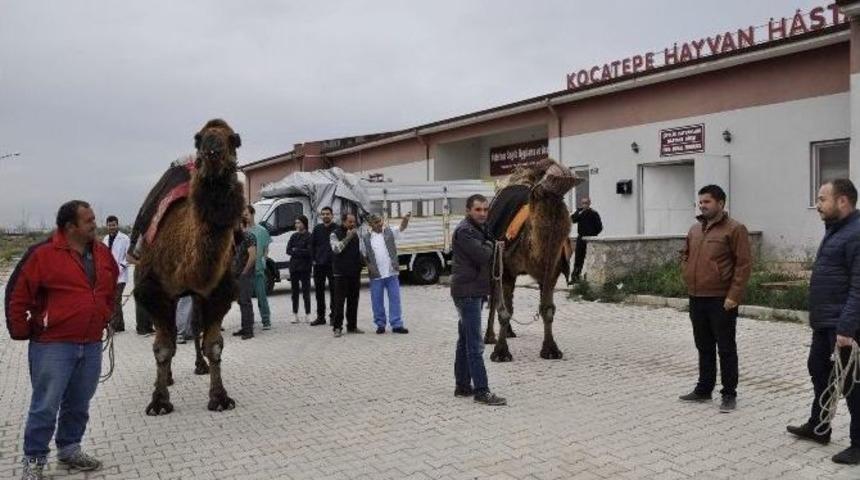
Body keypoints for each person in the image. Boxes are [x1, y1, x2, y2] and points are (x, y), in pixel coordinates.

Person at [5, 200, 118, 479]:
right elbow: (17, 295)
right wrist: (22, 330)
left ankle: (69, 449)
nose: (96, 224)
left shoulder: (102, 253)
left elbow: (111, 285)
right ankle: (34, 459)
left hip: (91, 343)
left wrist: (104, 314)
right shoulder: (42, 254)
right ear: (70, 227)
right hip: (53, 345)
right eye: (89, 220)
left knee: (79, 402)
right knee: (46, 404)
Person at [787, 179, 860, 464]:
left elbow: (858, 285)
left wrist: (847, 328)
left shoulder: (855, 234)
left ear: (842, 201)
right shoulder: (837, 230)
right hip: (825, 322)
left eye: (822, 199)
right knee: (818, 370)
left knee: (853, 386)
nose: (818, 205)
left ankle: (859, 444)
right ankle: (820, 427)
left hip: (844, 326)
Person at [679, 184, 751, 413]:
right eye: (700, 202)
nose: (702, 205)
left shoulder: (735, 229)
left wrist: (734, 296)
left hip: (721, 299)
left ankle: (729, 394)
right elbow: (686, 255)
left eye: (707, 202)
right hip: (697, 296)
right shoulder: (694, 230)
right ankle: (703, 389)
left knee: (726, 348)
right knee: (703, 345)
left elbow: (743, 265)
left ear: (721, 203)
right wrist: (687, 272)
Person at [451, 194, 507, 406]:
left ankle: (463, 385)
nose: (483, 213)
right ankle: (482, 391)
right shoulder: (466, 231)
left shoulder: (478, 229)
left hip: (471, 291)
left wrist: (488, 242)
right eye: (478, 210)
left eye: (485, 209)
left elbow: (485, 246)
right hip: (468, 293)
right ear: (468, 210)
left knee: (464, 339)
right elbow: (483, 254)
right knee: (475, 344)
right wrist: (493, 245)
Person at [359, 213, 411, 335]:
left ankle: (397, 324)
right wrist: (368, 266)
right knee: (377, 300)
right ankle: (380, 324)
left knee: (395, 299)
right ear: (371, 224)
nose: (379, 224)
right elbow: (363, 254)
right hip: (376, 274)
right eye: (376, 222)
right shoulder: (366, 238)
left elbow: (402, 228)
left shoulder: (389, 231)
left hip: (391, 272)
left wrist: (405, 220)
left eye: (380, 221)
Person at [330, 212, 364, 337]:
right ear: (343, 222)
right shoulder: (335, 234)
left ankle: (352, 326)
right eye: (350, 221)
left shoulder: (356, 234)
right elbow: (336, 249)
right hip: (341, 274)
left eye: (354, 221)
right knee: (339, 302)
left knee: (353, 300)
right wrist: (348, 238)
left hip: (354, 273)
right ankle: (337, 327)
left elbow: (358, 252)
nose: (353, 224)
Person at [231, 210, 258, 340]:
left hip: (245, 274)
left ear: (242, 224)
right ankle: (244, 327)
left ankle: (249, 330)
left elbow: (252, 257)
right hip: (237, 274)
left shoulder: (249, 236)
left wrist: (244, 272)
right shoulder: (236, 238)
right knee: (241, 301)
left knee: (246, 301)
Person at [102, 215, 130, 332]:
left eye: (114, 225)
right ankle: (120, 325)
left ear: (117, 225)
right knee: (112, 299)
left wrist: (122, 266)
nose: (112, 227)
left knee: (116, 299)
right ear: (107, 226)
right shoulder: (105, 239)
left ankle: (115, 325)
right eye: (110, 225)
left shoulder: (124, 238)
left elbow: (128, 256)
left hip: (120, 275)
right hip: (108, 275)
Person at [310, 206, 337, 326]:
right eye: (323, 214)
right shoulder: (317, 229)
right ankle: (320, 317)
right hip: (319, 265)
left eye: (328, 214)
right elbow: (311, 246)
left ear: (332, 215)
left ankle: (334, 317)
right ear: (321, 216)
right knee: (319, 292)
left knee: (334, 292)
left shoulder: (337, 229)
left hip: (333, 265)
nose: (325, 216)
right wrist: (314, 260)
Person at [247, 205, 272, 330]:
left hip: (258, 269)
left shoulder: (262, 230)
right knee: (245, 299)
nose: (245, 216)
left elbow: (266, 247)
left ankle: (266, 320)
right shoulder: (241, 231)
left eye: (246, 214)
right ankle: (249, 321)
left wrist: (264, 259)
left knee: (261, 296)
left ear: (252, 214)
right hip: (245, 270)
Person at [569, 197, 602, 283]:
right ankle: (575, 278)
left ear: (589, 203)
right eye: (583, 203)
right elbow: (572, 220)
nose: (584, 205)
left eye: (586, 203)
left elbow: (599, 227)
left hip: (591, 239)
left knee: (591, 259)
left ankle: (590, 278)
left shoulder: (594, 213)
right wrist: (577, 212)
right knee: (578, 258)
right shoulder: (580, 213)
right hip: (581, 238)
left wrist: (593, 234)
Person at [287, 215, 313, 323]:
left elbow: (309, 252)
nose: (297, 225)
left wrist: (296, 250)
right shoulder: (293, 236)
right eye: (296, 223)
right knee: (295, 292)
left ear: (304, 223)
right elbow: (288, 250)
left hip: (305, 268)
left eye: (299, 223)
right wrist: (300, 250)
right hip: (294, 268)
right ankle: (295, 314)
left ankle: (308, 313)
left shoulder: (310, 236)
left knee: (306, 292)